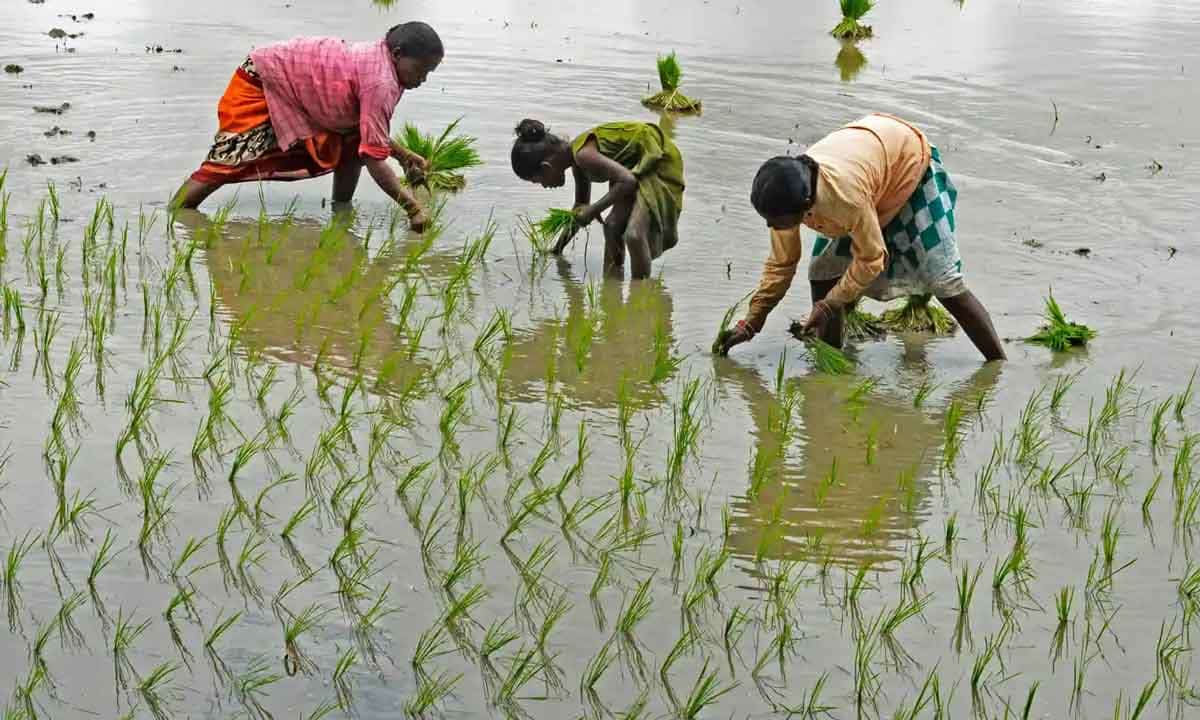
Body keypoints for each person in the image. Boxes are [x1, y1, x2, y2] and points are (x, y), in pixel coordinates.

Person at [715, 113, 1005, 361]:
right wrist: (751, 323)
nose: (771, 227)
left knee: (941, 276)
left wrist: (830, 304)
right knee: (822, 272)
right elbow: (782, 265)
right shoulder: (787, 197)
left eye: (777, 222)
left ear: (805, 209)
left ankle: (998, 364)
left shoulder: (844, 198)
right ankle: (831, 359)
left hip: (907, 161)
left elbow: (871, 258)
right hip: (870, 157)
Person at [172, 22, 443, 231]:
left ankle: (341, 212)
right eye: (420, 69)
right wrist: (413, 208)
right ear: (396, 54)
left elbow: (371, 134)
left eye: (429, 73)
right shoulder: (381, 82)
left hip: (299, 87)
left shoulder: (385, 65)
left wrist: (404, 156)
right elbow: (374, 156)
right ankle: (176, 215)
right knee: (230, 160)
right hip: (265, 79)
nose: (423, 79)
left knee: (352, 144)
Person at [510, 119, 685, 279]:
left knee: (634, 235)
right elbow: (580, 208)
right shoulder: (577, 163)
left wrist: (594, 210)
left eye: (538, 181)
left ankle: (640, 296)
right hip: (630, 166)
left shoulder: (583, 156)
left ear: (546, 168)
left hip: (657, 159)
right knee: (611, 227)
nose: (544, 186)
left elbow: (628, 181)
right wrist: (558, 249)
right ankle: (612, 287)